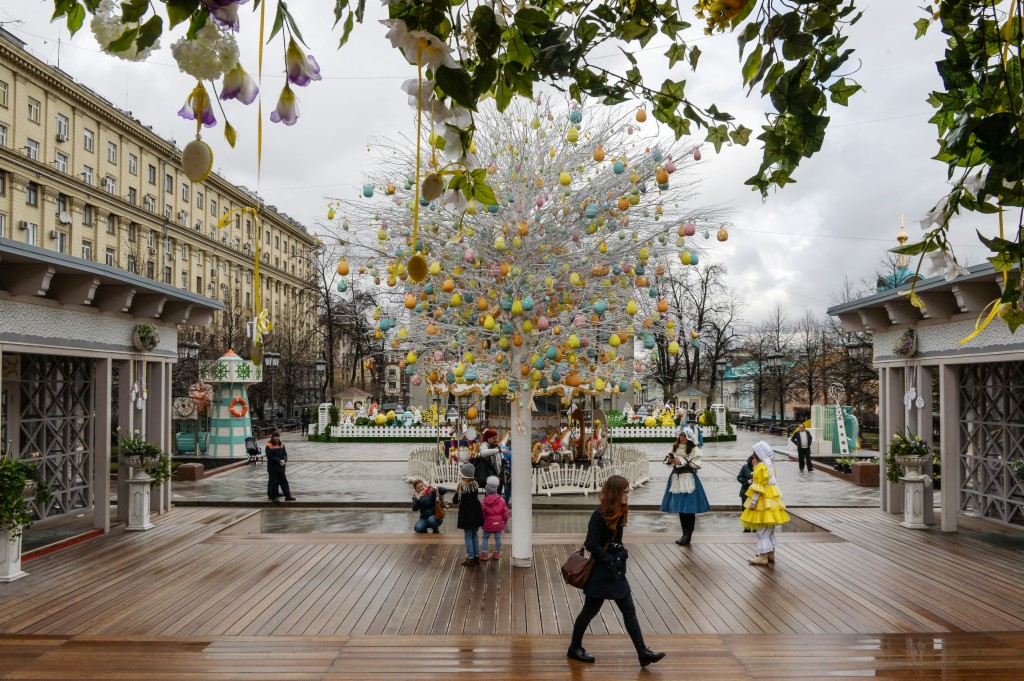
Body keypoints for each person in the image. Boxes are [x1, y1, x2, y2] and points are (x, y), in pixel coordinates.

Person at [568, 475, 665, 668]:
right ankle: (574, 648)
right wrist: (609, 559)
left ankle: (642, 653)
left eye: (628, 491)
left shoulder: (619, 511)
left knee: (629, 610)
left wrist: (619, 552)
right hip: (602, 572)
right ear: (616, 493)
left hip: (616, 571)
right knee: (589, 611)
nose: (628, 495)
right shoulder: (598, 515)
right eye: (625, 492)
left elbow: (614, 540)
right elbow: (591, 543)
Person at [741, 441, 791, 565]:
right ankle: (770, 553)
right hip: (772, 499)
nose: (753, 457)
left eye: (754, 455)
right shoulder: (770, 465)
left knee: (762, 529)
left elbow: (759, 486)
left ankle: (763, 556)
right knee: (770, 528)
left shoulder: (760, 467)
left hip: (762, 499)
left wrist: (753, 501)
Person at [659, 428, 711, 546]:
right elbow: (667, 461)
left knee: (689, 508)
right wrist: (670, 461)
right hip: (676, 479)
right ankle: (684, 534)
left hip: (688, 480)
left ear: (689, 437)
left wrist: (682, 462)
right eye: (680, 435)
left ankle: (688, 535)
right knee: (681, 508)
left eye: (684, 436)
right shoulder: (674, 447)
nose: (681, 438)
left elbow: (696, 465)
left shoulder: (694, 449)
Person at [452, 462, 484, 567]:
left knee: (468, 535)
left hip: (467, 512)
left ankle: (470, 558)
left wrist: (457, 493)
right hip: (476, 510)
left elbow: (455, 500)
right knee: (474, 534)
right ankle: (476, 557)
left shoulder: (462, 485)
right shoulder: (475, 483)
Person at [480, 475, 509, 560]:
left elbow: (483, 513)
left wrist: (482, 523)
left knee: (485, 537)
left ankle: (485, 553)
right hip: (498, 523)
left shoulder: (484, 501)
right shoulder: (501, 500)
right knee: (498, 538)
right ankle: (497, 553)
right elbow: (505, 513)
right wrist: (505, 520)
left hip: (488, 523)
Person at [265, 431, 295, 502]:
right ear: (272, 437)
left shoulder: (282, 444)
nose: (277, 438)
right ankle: (273, 496)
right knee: (273, 482)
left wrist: (284, 460)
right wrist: (279, 461)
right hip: (273, 467)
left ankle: (287, 495)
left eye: (278, 437)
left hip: (281, 467)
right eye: (275, 437)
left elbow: (285, 454)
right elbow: (270, 456)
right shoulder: (269, 445)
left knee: (284, 481)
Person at [737, 453, 756, 533]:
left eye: (755, 460)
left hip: (756, 494)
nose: (754, 462)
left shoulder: (760, 467)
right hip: (745, 493)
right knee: (745, 511)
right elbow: (739, 477)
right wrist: (747, 481)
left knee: (755, 512)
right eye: (753, 460)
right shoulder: (745, 467)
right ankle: (747, 528)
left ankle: (755, 527)